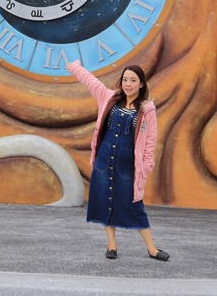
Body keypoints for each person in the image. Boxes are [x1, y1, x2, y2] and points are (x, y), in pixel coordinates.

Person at [66, 60, 169, 261]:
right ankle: (111, 245)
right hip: (105, 161)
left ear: (141, 84)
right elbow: (91, 82)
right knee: (106, 201)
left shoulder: (147, 109)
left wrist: (146, 167)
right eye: (125, 80)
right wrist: (74, 67)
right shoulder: (109, 98)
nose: (128, 84)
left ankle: (152, 248)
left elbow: (150, 142)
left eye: (133, 80)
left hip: (128, 165)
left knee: (134, 205)